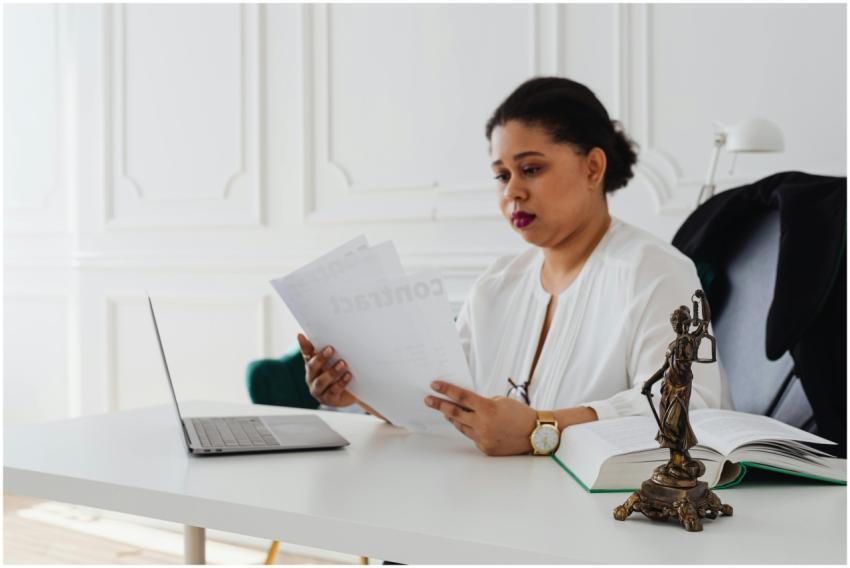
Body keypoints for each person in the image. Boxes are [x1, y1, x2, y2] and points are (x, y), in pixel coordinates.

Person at [297, 76, 727, 456]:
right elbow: (445, 403)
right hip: (478, 509)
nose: (513, 192)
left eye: (531, 169)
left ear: (593, 167)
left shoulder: (654, 272)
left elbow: (691, 409)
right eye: (502, 176)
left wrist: (543, 427)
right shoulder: (497, 284)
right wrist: (359, 391)